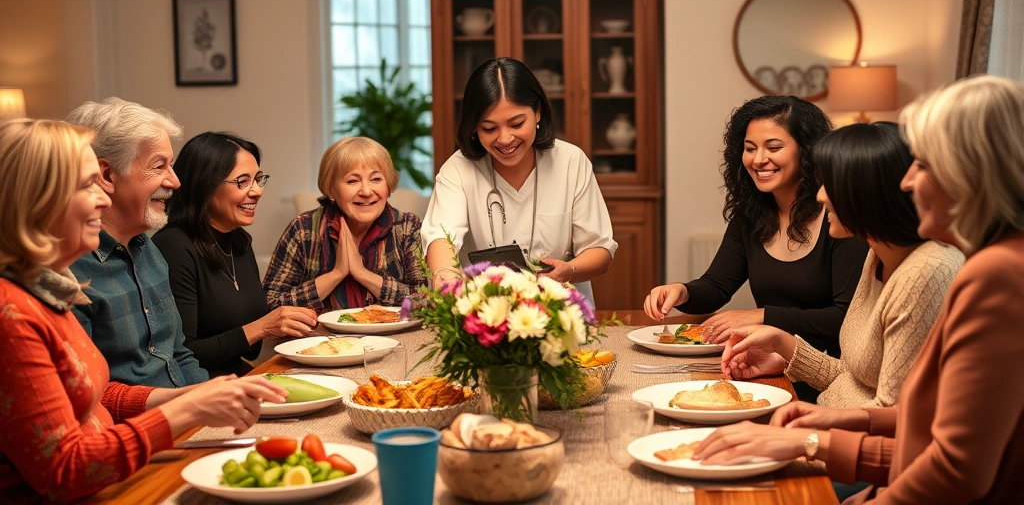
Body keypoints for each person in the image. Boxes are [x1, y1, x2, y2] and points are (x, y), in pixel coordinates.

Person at [692, 75, 1024, 505]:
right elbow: (904, 417)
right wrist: (803, 378)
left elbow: (954, 469)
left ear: (967, 172)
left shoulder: (985, 273)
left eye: (922, 165)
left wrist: (816, 442)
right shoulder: (897, 259)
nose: (906, 183)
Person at [0, 119, 286, 501]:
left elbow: (96, 396)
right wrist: (183, 411)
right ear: (35, 200)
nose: (104, 199)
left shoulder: (46, 289)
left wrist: (188, 398)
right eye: (88, 186)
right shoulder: (12, 313)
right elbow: (65, 470)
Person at [719, 122, 963, 409]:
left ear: (869, 190)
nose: (820, 196)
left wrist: (808, 431)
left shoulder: (925, 271)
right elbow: (854, 380)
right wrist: (782, 345)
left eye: (831, 184)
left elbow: (893, 414)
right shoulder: (877, 257)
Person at [643, 95, 868, 399]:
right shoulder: (751, 215)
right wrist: (682, 291)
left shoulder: (839, 217)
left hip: (831, 380)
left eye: (774, 148)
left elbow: (843, 318)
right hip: (768, 369)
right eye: (750, 149)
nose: (758, 159)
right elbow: (717, 285)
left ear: (808, 151)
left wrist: (762, 316)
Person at [422, 57, 617, 305]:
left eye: (516, 123)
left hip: (561, 314)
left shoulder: (570, 162)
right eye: (489, 129)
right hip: (487, 316)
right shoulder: (458, 170)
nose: (505, 139)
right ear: (473, 128)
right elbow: (441, 237)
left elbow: (600, 250)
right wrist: (446, 276)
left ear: (538, 111)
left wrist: (569, 270)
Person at [65, 97, 208, 387]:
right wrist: (190, 407)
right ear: (106, 174)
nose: (175, 181)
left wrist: (212, 402)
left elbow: (179, 354)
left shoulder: (148, 249)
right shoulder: (69, 268)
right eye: (159, 167)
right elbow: (87, 394)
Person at [153, 132, 318, 376]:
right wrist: (263, 327)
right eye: (243, 182)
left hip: (239, 375)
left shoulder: (238, 241)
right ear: (205, 185)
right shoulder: (173, 246)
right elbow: (183, 355)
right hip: (199, 389)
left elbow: (249, 350)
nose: (257, 192)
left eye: (259, 180)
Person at [264, 136, 427, 312]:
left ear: (388, 185)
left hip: (395, 338)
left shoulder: (407, 227)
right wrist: (336, 274)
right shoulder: (303, 229)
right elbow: (270, 303)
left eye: (376, 179)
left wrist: (362, 274)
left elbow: (426, 301)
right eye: (352, 181)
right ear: (330, 189)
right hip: (320, 338)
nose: (366, 191)